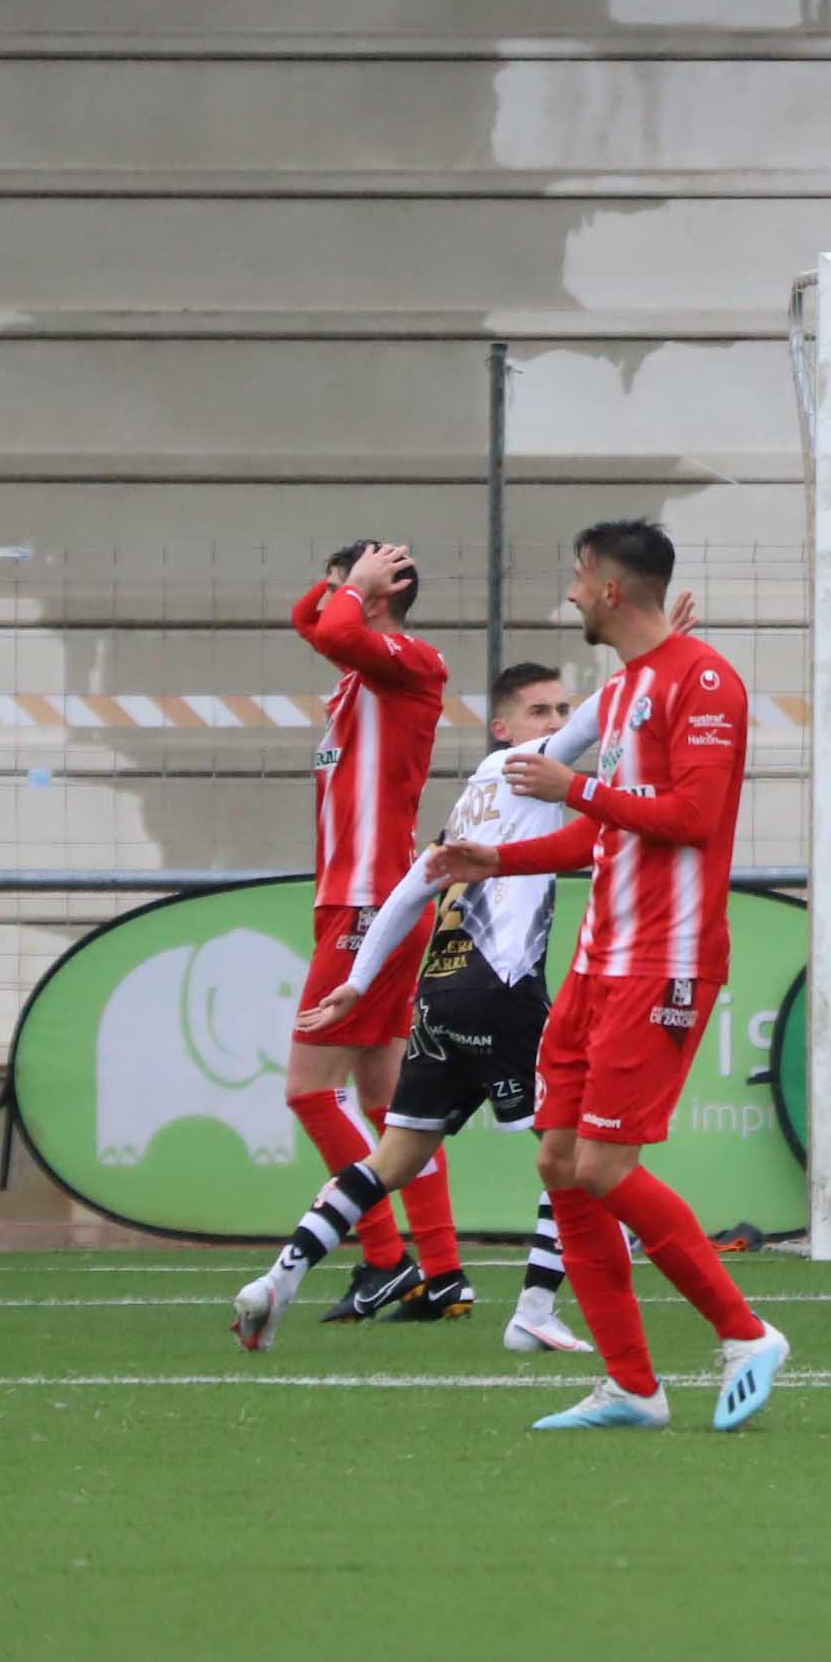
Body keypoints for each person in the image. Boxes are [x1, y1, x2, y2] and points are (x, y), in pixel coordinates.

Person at [426, 521, 787, 1433]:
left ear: (614, 590)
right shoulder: (626, 688)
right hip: (597, 961)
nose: (572, 594)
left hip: (663, 959)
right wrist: (494, 861)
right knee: (558, 1161)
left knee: (603, 1163)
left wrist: (573, 785)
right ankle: (633, 1387)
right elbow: (607, 832)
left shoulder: (703, 681)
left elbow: (695, 817)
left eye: (579, 579)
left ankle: (746, 1333)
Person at [234, 661, 607, 1353]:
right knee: (581, 1156)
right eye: (540, 711)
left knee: (394, 1161)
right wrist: (656, 658)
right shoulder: (525, 767)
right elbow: (592, 729)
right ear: (503, 729)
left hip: (439, 993)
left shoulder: (476, 796)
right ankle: (534, 1308)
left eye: (561, 709)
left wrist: (359, 980)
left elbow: (413, 884)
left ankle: (276, 1283)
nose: (556, 723)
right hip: (500, 989)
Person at [284, 540, 456, 1321]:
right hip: (355, 900)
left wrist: (349, 591)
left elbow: (338, 632)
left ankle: (384, 1257)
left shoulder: (409, 661)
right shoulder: (358, 673)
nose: (332, 597)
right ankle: (445, 1272)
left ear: (380, 592)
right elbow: (314, 627)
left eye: (349, 584)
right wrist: (334, 587)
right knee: (389, 1102)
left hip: (368, 904)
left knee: (309, 1091)